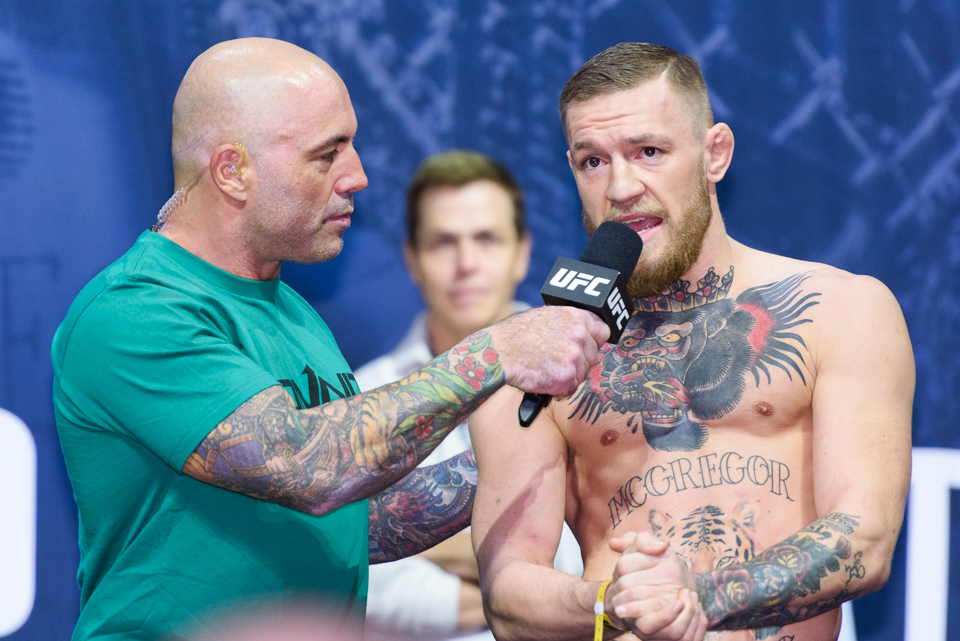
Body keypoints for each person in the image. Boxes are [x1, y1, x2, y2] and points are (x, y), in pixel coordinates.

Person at [50, 38, 610, 641]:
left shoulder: (292, 313)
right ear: (232, 171)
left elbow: (361, 519)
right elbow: (308, 464)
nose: (359, 176)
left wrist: (546, 450)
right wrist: (495, 352)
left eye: (353, 144)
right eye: (327, 155)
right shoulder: (135, 311)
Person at [469, 42, 915, 641]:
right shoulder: (538, 357)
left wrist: (697, 598)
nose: (621, 187)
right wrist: (608, 601)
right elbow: (507, 590)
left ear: (715, 154)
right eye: (592, 162)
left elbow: (866, 538)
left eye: (648, 152)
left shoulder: (843, 310)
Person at [355, 150, 584, 640]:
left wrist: (418, 540)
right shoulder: (363, 396)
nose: (466, 264)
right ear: (411, 260)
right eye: (443, 243)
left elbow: (588, 559)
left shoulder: (587, 381)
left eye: (486, 239)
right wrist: (523, 599)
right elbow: (356, 583)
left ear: (523, 252)